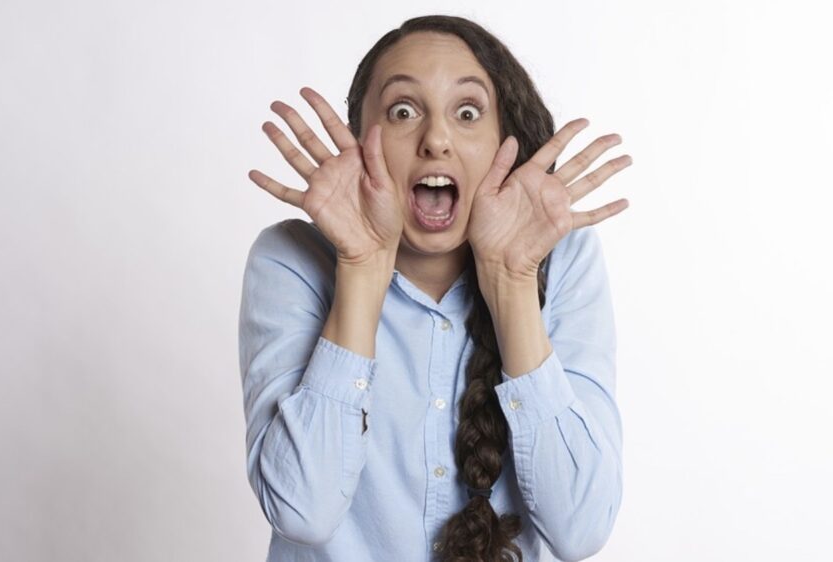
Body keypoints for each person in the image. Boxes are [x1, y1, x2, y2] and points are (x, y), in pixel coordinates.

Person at [239, 14, 632, 562]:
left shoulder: (564, 260)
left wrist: (511, 281)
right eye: (402, 111)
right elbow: (302, 510)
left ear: (504, 142)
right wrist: (362, 267)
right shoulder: (292, 259)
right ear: (360, 142)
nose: (436, 140)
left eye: (467, 113)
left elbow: (581, 529)